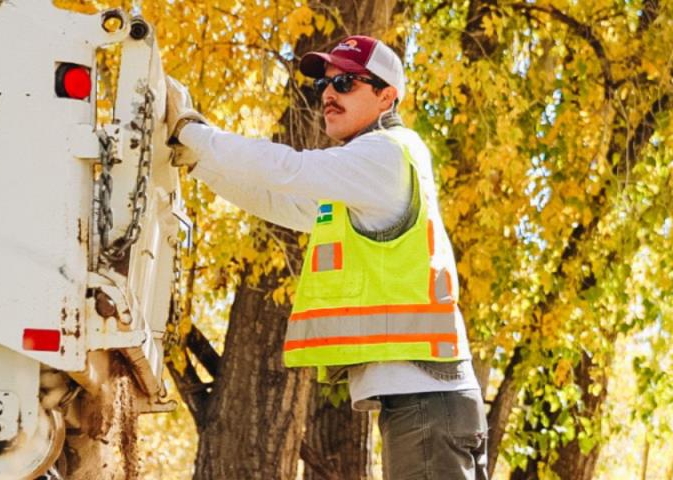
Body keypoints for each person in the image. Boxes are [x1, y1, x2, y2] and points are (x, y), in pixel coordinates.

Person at [161, 35, 487, 480]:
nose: (329, 95)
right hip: (427, 396)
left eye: (347, 83)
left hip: (426, 397)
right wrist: (201, 163)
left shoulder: (384, 154)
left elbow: (289, 169)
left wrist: (192, 131)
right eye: (323, 86)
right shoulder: (366, 175)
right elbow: (283, 203)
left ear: (386, 95)